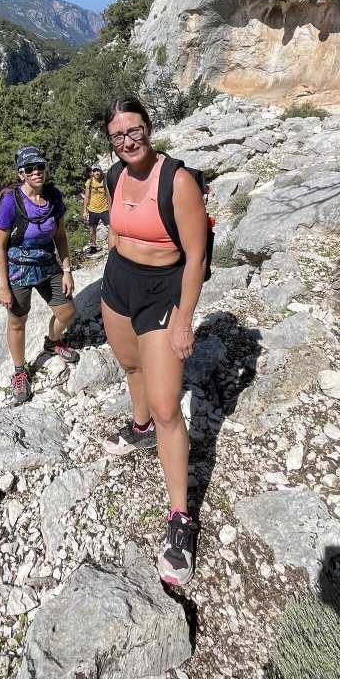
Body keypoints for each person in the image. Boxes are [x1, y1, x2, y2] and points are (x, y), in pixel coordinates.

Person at [99, 96, 208, 588]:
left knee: (169, 407)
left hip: (163, 290)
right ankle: (137, 428)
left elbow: (196, 258)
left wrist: (184, 318)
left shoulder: (177, 180)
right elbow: (115, 230)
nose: (127, 141)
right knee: (131, 366)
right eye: (118, 135)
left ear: (149, 127)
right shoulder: (113, 176)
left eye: (134, 130)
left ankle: (181, 518)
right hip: (118, 283)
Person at [0, 145, 79, 405]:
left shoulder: (53, 197)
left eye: (39, 167)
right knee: (18, 321)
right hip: (18, 267)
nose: (36, 172)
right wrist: (3, 286)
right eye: (29, 169)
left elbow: (61, 236)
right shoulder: (11, 202)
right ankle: (20, 371)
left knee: (67, 312)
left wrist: (66, 270)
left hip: (46, 262)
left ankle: (52, 342)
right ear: (21, 174)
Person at [82, 164, 111, 253]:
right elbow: (86, 197)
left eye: (98, 171)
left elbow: (109, 196)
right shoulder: (89, 182)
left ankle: (112, 245)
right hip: (93, 210)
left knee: (110, 228)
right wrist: (85, 211)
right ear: (92, 172)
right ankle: (93, 246)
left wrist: (111, 210)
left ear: (101, 171)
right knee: (92, 229)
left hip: (104, 209)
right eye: (94, 171)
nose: (96, 173)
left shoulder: (105, 181)